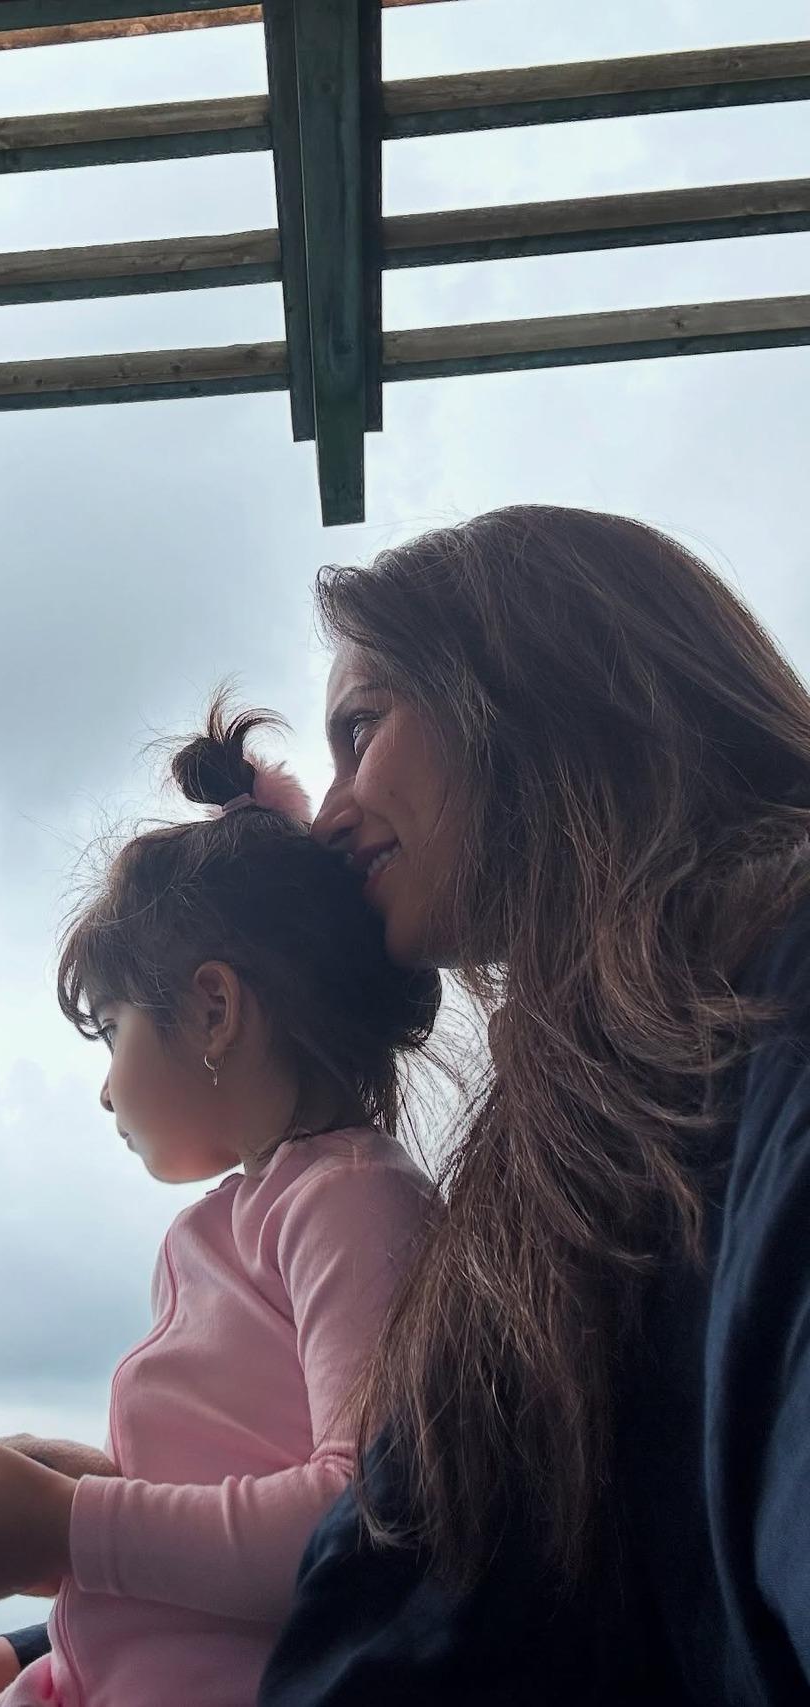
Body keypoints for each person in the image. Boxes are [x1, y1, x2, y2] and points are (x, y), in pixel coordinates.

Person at [0, 701, 440, 1707]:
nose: (102, 1087)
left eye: (114, 1030)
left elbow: (359, 1519)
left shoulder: (351, 1206)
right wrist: (73, 1493)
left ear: (212, 1012)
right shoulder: (236, 1221)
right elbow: (216, 1514)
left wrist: (70, 1525)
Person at [257, 504, 810, 1704]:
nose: (333, 807)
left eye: (362, 727)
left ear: (532, 686)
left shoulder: (771, 998)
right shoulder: (593, 1100)